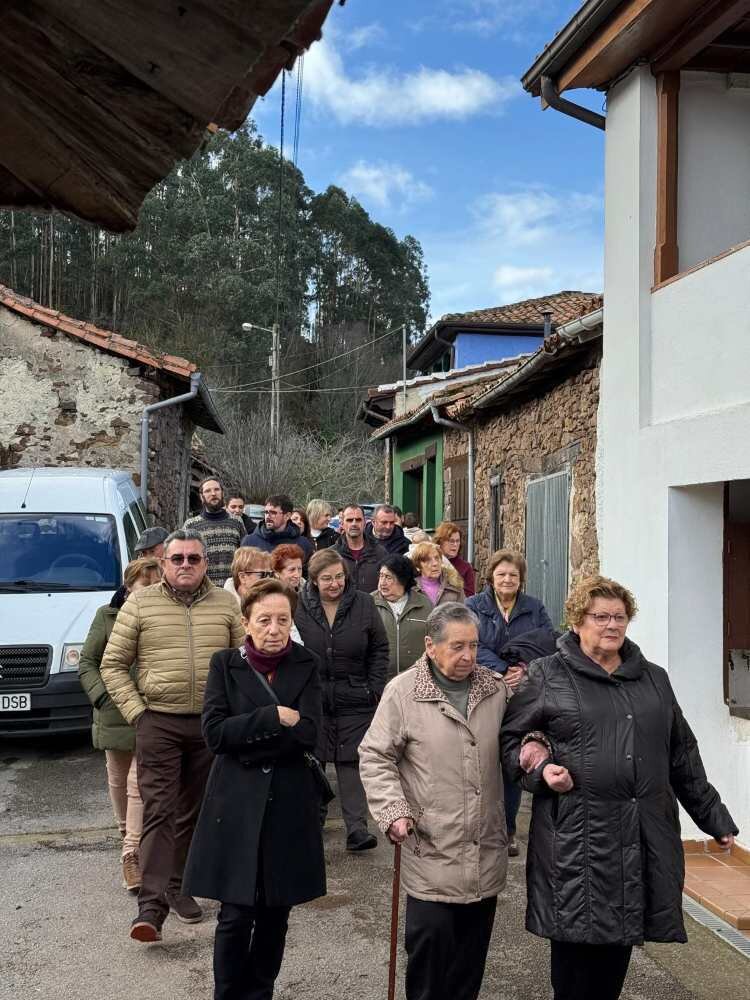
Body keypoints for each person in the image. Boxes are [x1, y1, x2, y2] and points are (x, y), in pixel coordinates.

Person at [502, 575, 739, 1000]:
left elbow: (682, 754)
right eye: (600, 617)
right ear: (577, 621)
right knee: (574, 968)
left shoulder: (653, 678)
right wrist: (540, 771)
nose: (611, 625)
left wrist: (713, 817)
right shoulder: (546, 675)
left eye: (620, 617)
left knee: (615, 959)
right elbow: (511, 742)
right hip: (576, 840)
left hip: (639, 835)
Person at [182, 579, 326, 1000]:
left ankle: (260, 991)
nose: (274, 628)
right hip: (236, 803)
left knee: (276, 912)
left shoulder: (307, 664)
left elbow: (311, 733)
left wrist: (254, 735)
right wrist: (273, 717)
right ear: (246, 622)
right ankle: (227, 994)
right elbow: (214, 734)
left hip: (287, 801)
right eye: (264, 620)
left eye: (282, 620)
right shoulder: (225, 664)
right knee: (235, 912)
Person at [100, 529, 245, 943]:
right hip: (157, 722)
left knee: (193, 811)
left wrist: (231, 715)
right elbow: (112, 664)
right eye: (177, 558)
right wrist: (138, 715)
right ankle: (150, 908)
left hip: (208, 724)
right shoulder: (141, 604)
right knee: (160, 809)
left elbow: (240, 663)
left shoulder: (225, 604)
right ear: (163, 563)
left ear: (205, 563)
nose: (185, 565)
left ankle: (179, 885)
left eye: (193, 559)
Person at [359, 603, 509, 1000]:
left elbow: (518, 740)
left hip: (484, 850)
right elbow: (375, 756)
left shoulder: (495, 690)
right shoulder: (403, 692)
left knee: (469, 965)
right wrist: (393, 811)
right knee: (428, 961)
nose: (468, 657)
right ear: (430, 646)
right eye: (457, 646)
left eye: (474, 646)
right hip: (431, 848)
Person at [295, 549, 388, 851]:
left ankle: (357, 830)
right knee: (314, 761)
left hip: (356, 694)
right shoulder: (300, 605)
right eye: (326, 579)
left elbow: (379, 647)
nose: (335, 584)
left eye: (339, 577)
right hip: (314, 695)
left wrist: (373, 687)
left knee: (351, 762)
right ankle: (312, 822)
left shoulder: (363, 603)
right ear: (313, 580)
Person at [78, 556, 161, 892]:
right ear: (129, 587)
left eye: (156, 587)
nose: (150, 593)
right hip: (114, 710)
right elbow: (88, 662)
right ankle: (126, 834)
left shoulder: (161, 615)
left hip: (149, 710)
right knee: (117, 777)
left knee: (138, 781)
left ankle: (132, 853)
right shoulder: (106, 616)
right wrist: (102, 697)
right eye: (145, 586)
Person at [466, 549, 553, 857]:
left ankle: (509, 829)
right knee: (482, 761)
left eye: (513, 575)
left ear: (521, 580)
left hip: (522, 694)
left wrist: (523, 669)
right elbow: (471, 644)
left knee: (513, 761)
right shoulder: (473, 606)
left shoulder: (534, 608)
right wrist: (502, 669)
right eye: (501, 574)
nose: (507, 580)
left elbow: (547, 642)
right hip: (484, 690)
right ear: (491, 577)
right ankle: (479, 828)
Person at [372, 554, 432, 680]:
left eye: (388, 577)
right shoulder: (368, 603)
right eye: (381, 576)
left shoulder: (424, 605)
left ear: (403, 580)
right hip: (379, 682)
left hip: (416, 680)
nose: (382, 582)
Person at [183, 477, 245, 586]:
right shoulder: (191, 525)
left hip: (232, 589)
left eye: (216, 489)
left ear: (222, 493)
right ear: (202, 497)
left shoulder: (237, 522)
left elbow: (244, 556)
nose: (213, 493)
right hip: (203, 589)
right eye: (208, 491)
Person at [241, 494, 314, 563]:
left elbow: (307, 574)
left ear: (287, 516)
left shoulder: (303, 544)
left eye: (273, 513)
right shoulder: (249, 542)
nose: (268, 516)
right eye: (266, 512)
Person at [333, 503, 387, 594]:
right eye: (350, 520)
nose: (354, 524)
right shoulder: (332, 554)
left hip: (371, 606)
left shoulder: (380, 553)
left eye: (358, 520)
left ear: (365, 523)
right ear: (342, 524)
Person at [411, 541, 464, 607]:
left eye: (437, 558)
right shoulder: (411, 588)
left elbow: (463, 613)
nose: (435, 563)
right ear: (418, 566)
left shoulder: (455, 585)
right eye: (427, 560)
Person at [434, 521, 476, 598]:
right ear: (441, 542)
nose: (455, 545)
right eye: (451, 541)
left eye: (457, 541)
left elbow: (470, 596)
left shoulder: (465, 567)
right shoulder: (432, 563)